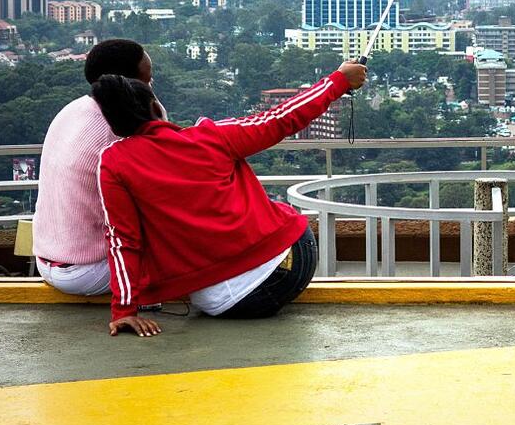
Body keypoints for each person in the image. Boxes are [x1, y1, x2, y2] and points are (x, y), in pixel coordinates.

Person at [92, 61, 366, 336]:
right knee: (278, 209)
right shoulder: (210, 136)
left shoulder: (114, 163)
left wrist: (124, 310)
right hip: (291, 265)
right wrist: (338, 81)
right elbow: (282, 118)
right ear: (155, 109)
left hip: (224, 303)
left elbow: (122, 240)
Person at [32, 39, 154, 296]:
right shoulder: (119, 131)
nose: (152, 87)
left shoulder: (72, 110)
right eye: (147, 81)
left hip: (47, 261)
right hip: (87, 269)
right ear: (129, 86)